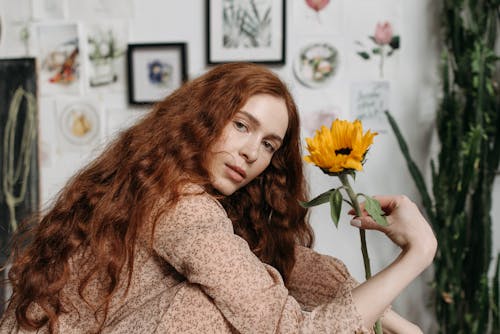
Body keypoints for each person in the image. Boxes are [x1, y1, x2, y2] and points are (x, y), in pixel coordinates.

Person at [0, 62, 437, 333]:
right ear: (205, 118)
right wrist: (418, 254)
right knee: (208, 305)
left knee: (261, 275)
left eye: (269, 144)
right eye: (241, 125)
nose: (251, 152)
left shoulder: (166, 185)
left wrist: (394, 322)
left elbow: (301, 269)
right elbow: (286, 330)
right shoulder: (180, 205)